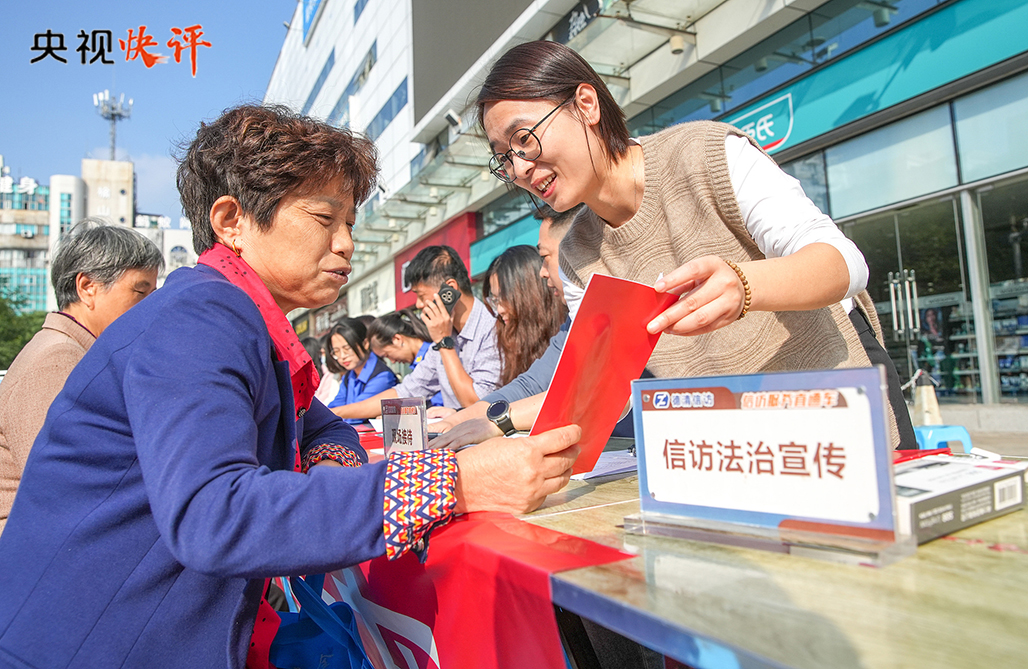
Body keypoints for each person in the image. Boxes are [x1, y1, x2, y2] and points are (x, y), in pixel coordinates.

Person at [0, 104, 580, 669]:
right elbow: (216, 514)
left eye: (350, 223)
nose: (346, 243)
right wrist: (451, 482)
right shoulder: (199, 320)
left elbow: (321, 426)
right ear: (232, 221)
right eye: (324, 219)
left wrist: (328, 468)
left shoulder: (244, 323)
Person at [476, 40, 915, 449]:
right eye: (504, 157)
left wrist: (745, 284)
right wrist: (496, 421)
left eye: (524, 139)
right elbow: (608, 387)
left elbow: (844, 262)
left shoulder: (705, 154)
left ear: (586, 105)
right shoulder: (576, 256)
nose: (519, 169)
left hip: (838, 402)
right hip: (737, 441)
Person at [0, 220, 163, 533]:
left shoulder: (76, 353)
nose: (150, 308)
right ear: (87, 287)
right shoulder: (58, 360)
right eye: (140, 292)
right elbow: (63, 484)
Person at [331, 245, 501, 420]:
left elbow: (476, 403)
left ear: (449, 291)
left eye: (421, 295)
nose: (419, 305)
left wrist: (444, 342)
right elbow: (407, 391)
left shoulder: (493, 328)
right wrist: (335, 413)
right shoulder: (445, 335)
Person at [482, 244, 567, 385]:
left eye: (505, 298)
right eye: (495, 300)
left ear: (529, 294)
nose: (500, 310)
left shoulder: (566, 338)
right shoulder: (508, 340)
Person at [324, 316, 398, 424]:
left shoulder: (383, 376)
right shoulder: (348, 376)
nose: (342, 356)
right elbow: (335, 405)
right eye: (336, 351)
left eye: (347, 349)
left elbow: (357, 413)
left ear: (365, 344)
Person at [366, 308, 444, 407]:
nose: (392, 361)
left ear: (397, 339)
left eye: (387, 355)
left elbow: (406, 394)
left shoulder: (434, 355)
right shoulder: (420, 361)